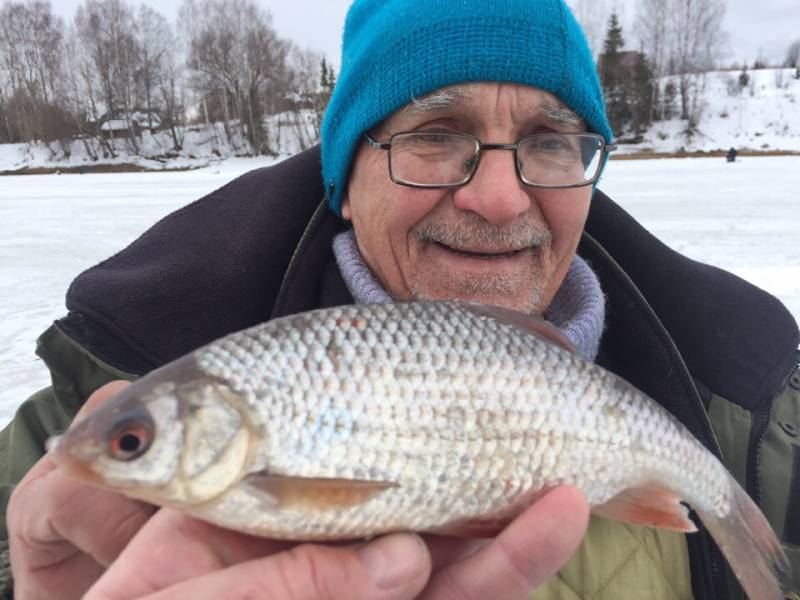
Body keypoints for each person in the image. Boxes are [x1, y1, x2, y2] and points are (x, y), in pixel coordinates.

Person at [1, 0, 798, 598]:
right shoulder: (84, 408)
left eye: (550, 141)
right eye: (435, 134)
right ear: (345, 179)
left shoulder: (763, 416)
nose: (496, 197)